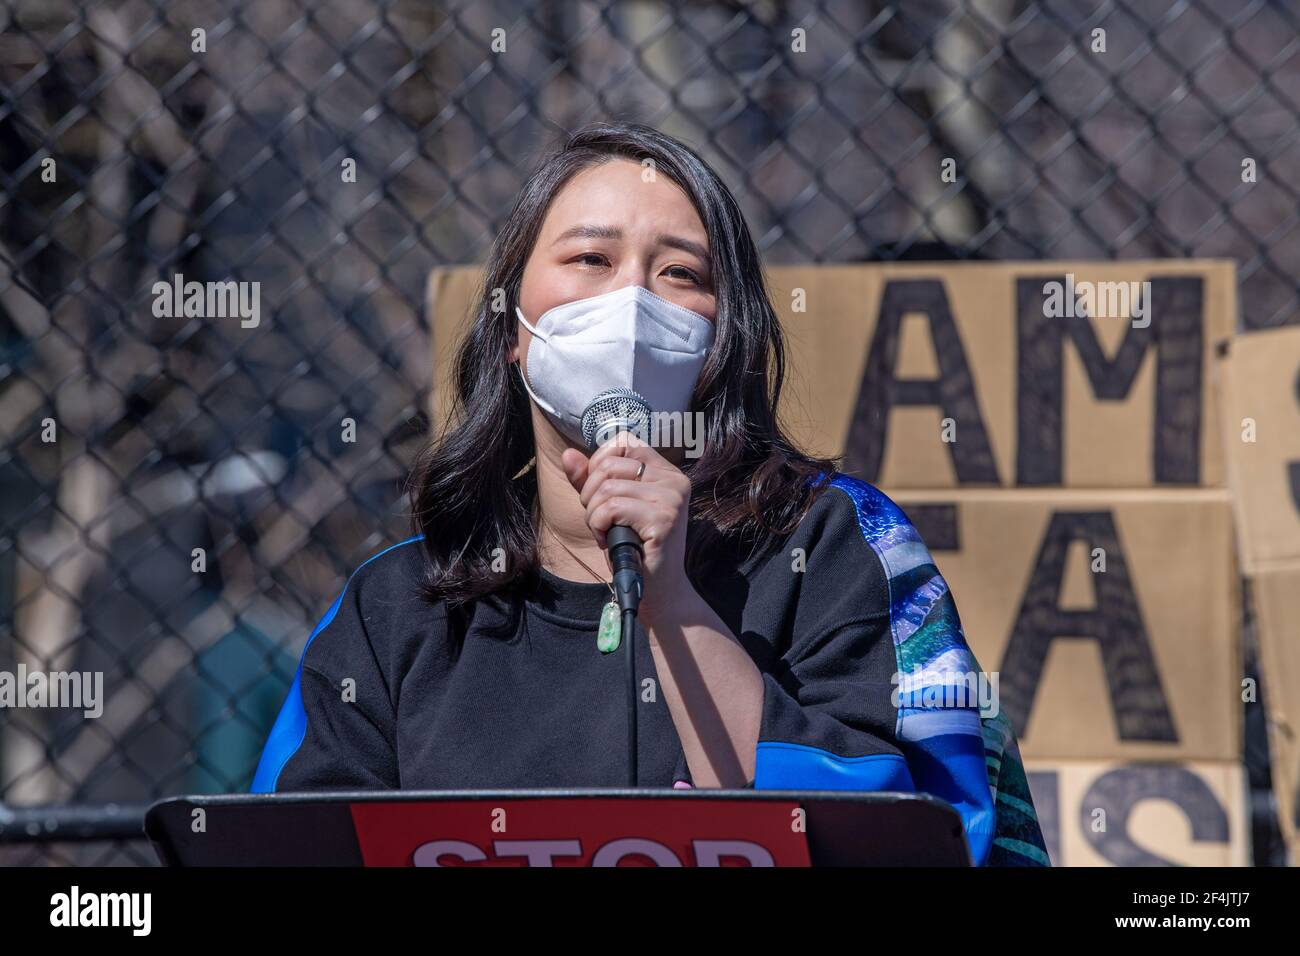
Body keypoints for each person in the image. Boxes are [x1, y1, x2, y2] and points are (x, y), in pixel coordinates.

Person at [250, 121, 1049, 867]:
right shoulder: (395, 605)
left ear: (721, 338)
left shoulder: (839, 546)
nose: (631, 302)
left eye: (680, 273)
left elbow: (914, 838)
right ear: (511, 331)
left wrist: (675, 605)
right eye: (591, 261)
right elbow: (286, 844)